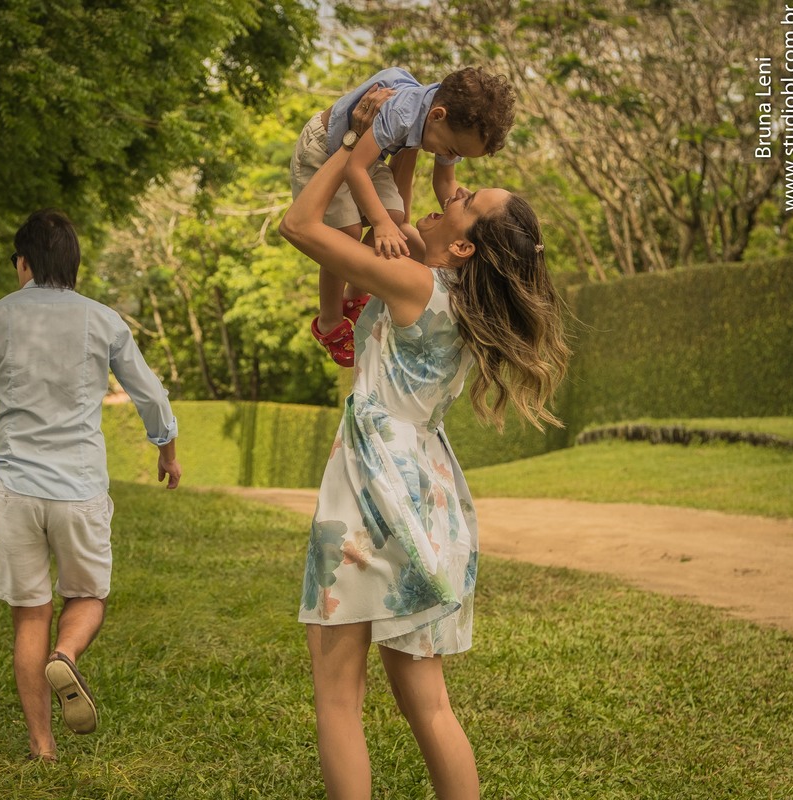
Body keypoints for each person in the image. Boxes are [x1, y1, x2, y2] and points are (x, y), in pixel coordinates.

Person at [279, 91, 570, 799]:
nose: (456, 191)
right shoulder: (460, 301)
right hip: (431, 500)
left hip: (372, 495)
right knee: (430, 705)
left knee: (339, 698)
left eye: (467, 201)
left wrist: (350, 141)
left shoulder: (413, 284)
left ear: (464, 245)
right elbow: (406, 213)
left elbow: (299, 224)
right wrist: (415, 174)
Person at [0, 208, 182, 762]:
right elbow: (150, 393)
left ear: (23, 263)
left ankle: (41, 746)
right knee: (88, 596)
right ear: (73, 265)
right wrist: (166, 450)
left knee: (29, 614)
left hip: (16, 490)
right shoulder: (103, 320)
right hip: (80, 488)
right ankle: (66, 655)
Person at [289, 66, 516, 367]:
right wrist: (380, 224)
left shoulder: (451, 124)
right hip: (325, 148)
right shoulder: (402, 114)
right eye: (449, 149)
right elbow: (354, 167)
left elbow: (446, 184)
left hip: (365, 156)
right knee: (348, 231)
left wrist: (468, 212)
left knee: (395, 215)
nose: (449, 155)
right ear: (437, 115)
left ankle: (353, 294)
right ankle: (330, 321)